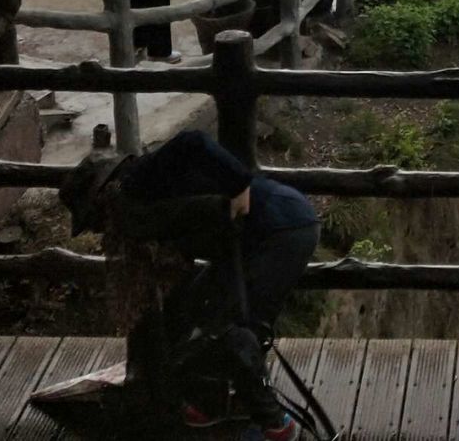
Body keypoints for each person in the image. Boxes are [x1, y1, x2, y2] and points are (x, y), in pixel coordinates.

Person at [60, 127, 316, 439]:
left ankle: (274, 424)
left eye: (93, 219)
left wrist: (239, 186)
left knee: (233, 327)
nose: (99, 229)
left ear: (99, 195)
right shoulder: (136, 210)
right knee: (197, 311)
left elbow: (192, 141)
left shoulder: (138, 182)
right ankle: (217, 402)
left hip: (281, 229)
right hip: (251, 238)